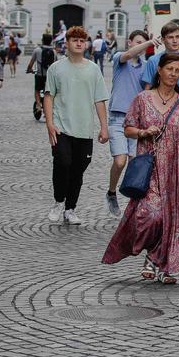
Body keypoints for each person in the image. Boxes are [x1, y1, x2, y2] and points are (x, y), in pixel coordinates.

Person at [101, 52, 179, 284]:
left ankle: (162, 265)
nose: (173, 74)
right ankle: (151, 253)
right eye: (169, 69)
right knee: (151, 215)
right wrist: (143, 132)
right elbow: (128, 128)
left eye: (177, 71)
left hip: (178, 170)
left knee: (174, 218)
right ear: (159, 70)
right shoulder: (142, 99)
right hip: (150, 168)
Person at [44, 26, 110, 225]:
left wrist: (104, 127)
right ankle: (59, 201)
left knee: (78, 169)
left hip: (84, 129)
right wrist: (49, 124)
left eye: (82, 40)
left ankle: (70, 209)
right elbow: (49, 96)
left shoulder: (93, 69)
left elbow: (99, 100)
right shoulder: (56, 68)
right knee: (63, 162)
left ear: (86, 44)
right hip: (61, 127)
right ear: (67, 44)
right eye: (75, 40)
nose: (79, 43)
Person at [105, 30, 159, 217]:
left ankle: (133, 205)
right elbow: (129, 54)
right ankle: (111, 192)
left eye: (143, 43)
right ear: (130, 42)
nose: (140, 46)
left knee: (134, 163)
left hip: (136, 120)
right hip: (117, 118)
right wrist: (149, 42)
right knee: (120, 161)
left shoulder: (146, 66)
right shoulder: (120, 58)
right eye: (137, 42)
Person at [141, 21, 179, 109]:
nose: (175, 41)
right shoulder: (153, 61)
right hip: (160, 109)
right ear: (163, 40)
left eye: (177, 37)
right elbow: (148, 88)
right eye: (170, 37)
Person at [26, 34, 57, 118]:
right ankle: (49, 108)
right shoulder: (54, 52)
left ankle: (38, 105)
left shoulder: (37, 50)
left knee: (37, 90)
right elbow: (56, 65)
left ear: (42, 40)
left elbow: (31, 63)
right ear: (51, 41)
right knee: (49, 92)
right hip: (49, 76)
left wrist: (29, 70)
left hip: (40, 74)